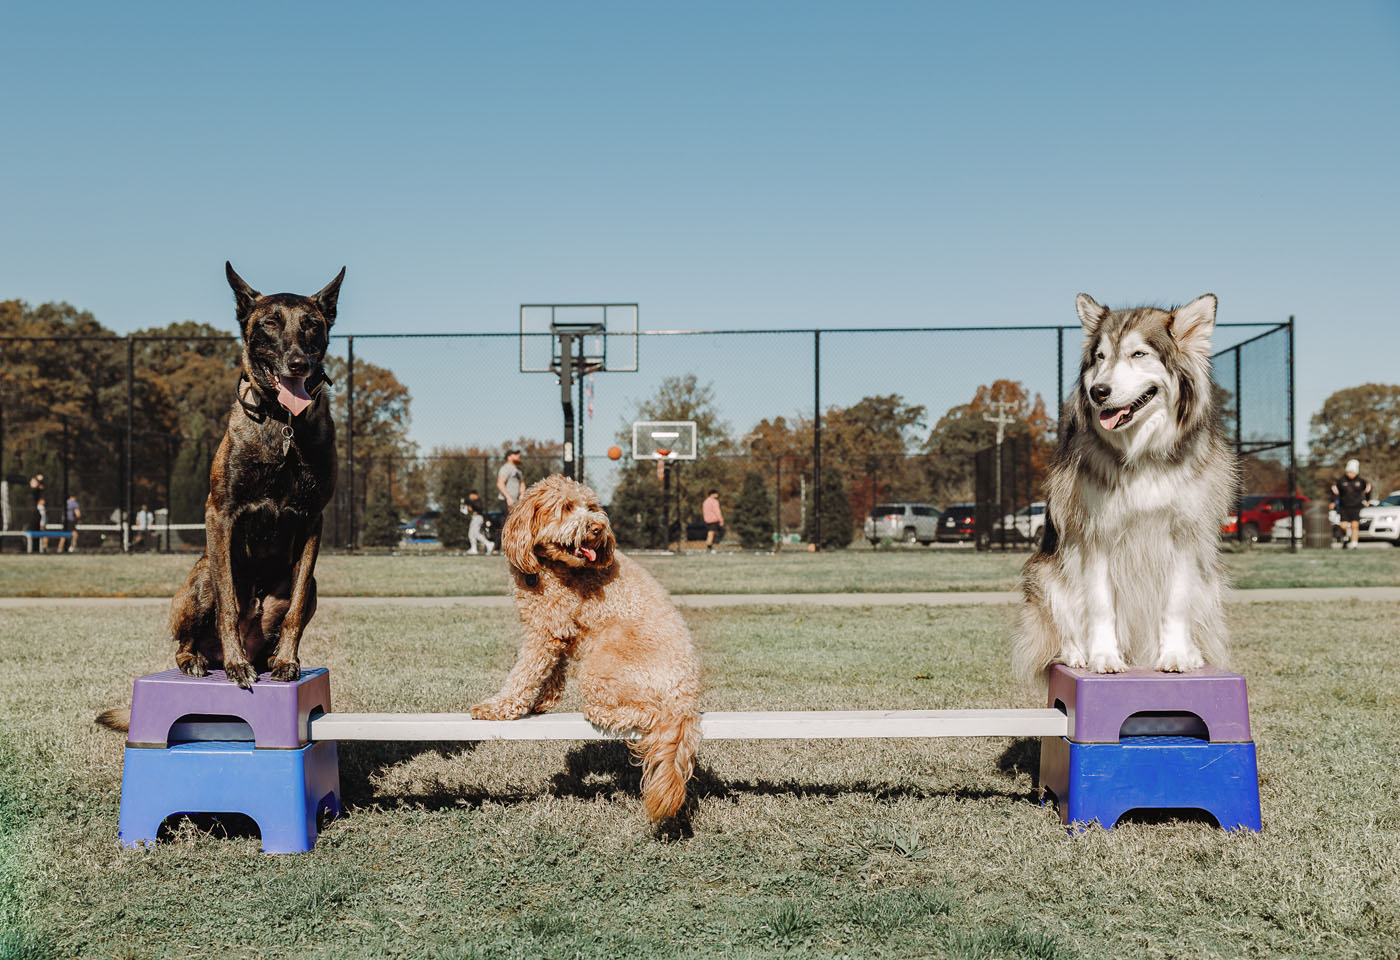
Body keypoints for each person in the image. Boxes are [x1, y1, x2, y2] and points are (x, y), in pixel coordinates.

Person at [1330, 459, 1372, 550]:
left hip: (1356, 506)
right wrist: (1333, 501)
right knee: (1343, 526)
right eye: (1349, 472)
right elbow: (1335, 492)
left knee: (1354, 525)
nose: (1351, 474)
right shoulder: (1341, 481)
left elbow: (1368, 489)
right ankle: (1346, 537)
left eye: (1353, 472)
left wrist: (1367, 500)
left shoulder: (1361, 481)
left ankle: (1354, 543)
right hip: (1344, 507)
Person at [464, 490, 495, 555]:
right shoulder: (473, 502)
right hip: (474, 518)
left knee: (476, 533)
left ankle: (488, 544)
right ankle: (473, 548)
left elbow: (479, 508)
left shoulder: (478, 501)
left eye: (470, 495)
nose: (470, 497)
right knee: (471, 533)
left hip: (478, 518)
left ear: (474, 494)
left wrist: (471, 506)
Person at [497, 449, 524, 514]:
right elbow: (500, 484)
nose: (518, 455)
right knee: (507, 522)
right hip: (506, 501)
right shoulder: (505, 468)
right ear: (509, 457)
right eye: (515, 454)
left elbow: (522, 483)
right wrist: (508, 498)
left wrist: (522, 494)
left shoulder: (518, 470)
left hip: (516, 502)